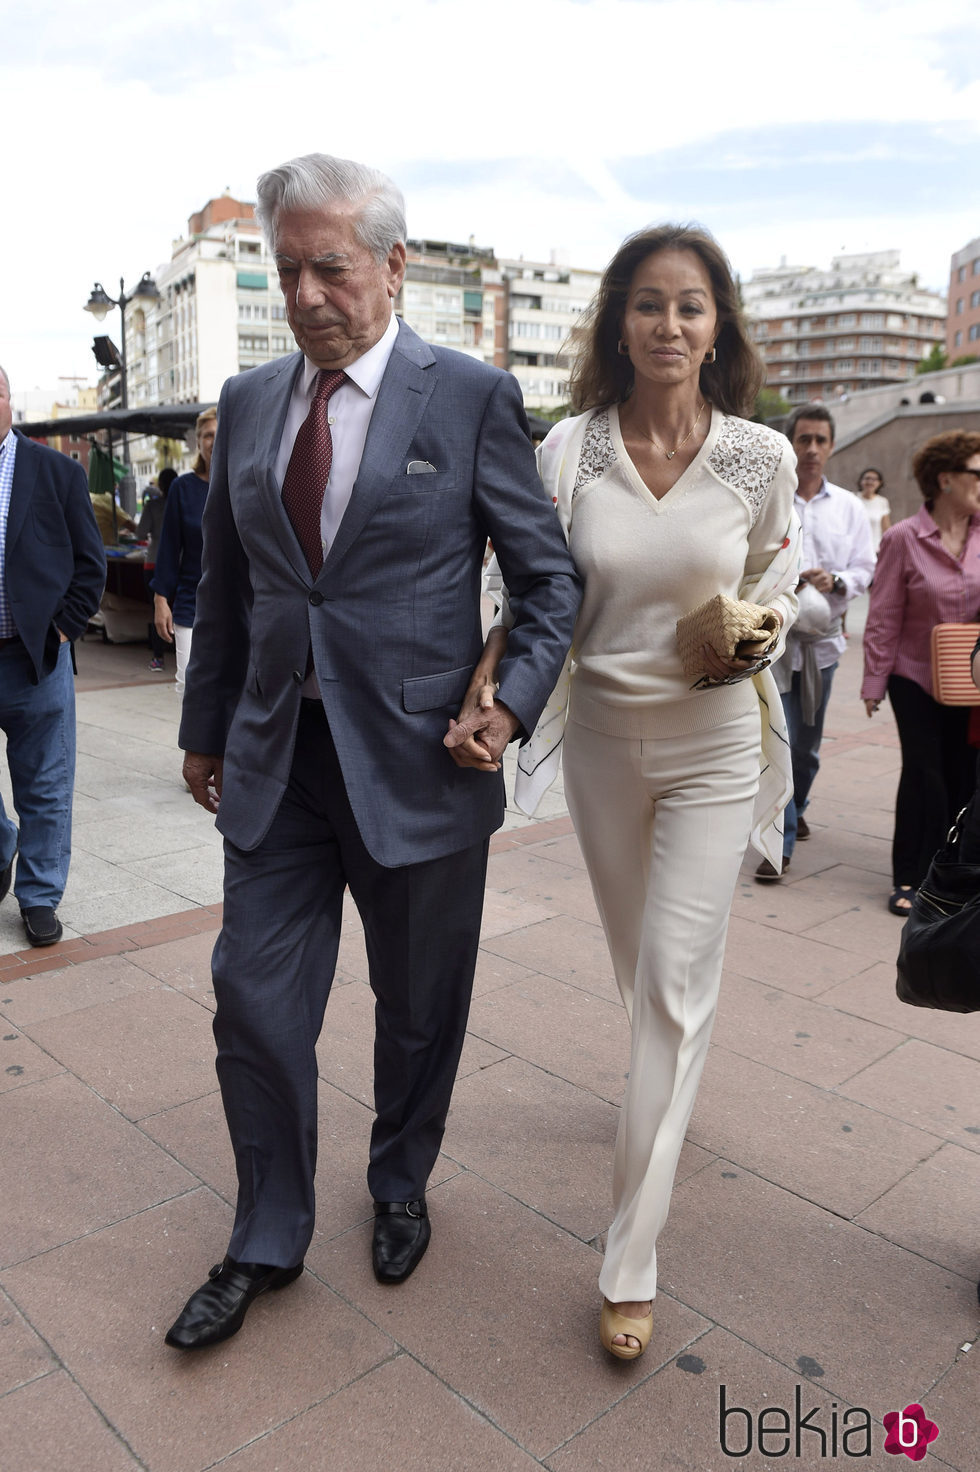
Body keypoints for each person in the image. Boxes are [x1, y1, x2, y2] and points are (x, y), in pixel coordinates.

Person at [163, 152, 580, 1351]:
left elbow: (548, 580)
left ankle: (398, 1177)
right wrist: (204, 729)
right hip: (277, 760)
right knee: (252, 1000)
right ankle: (265, 1233)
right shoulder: (248, 404)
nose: (304, 295)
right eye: (285, 270)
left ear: (393, 267)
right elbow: (231, 583)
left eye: (328, 268)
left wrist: (510, 704)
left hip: (419, 766)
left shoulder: (469, 397)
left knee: (418, 1006)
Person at [449, 224, 800, 1360]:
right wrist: (488, 683)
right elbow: (534, 588)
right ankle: (661, 1092)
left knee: (673, 986)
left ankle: (628, 1258)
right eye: (646, 304)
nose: (667, 325)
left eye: (689, 305)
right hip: (600, 739)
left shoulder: (757, 455)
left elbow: (773, 569)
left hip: (711, 743)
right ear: (616, 324)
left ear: (717, 326)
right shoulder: (568, 451)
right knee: (635, 968)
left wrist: (764, 623)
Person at [0, 365, 105, 946]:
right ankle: (2, 849)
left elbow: (90, 565)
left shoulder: (57, 472)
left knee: (44, 784)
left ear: (8, 398)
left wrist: (63, 628)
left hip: (35, 658)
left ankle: (39, 896)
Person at [861, 430, 980, 914]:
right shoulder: (903, 538)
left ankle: (952, 872)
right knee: (924, 773)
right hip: (913, 677)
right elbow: (884, 616)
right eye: (977, 471)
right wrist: (874, 682)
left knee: (964, 776)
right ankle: (909, 876)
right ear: (946, 480)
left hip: (970, 680)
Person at [756, 405, 875, 880]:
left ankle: (797, 805)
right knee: (778, 742)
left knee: (806, 747)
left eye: (819, 440)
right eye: (803, 439)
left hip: (822, 646)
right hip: (776, 643)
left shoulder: (849, 506)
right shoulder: (771, 498)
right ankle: (777, 844)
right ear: (790, 443)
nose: (810, 450)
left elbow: (865, 568)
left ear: (830, 446)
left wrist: (835, 579)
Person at [151, 410, 216, 695]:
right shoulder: (182, 488)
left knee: (236, 693)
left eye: (219, 433)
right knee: (190, 690)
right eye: (207, 435)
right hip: (191, 603)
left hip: (241, 606)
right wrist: (161, 599)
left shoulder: (245, 483)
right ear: (198, 442)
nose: (214, 440)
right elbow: (168, 548)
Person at [138, 466, 177, 671]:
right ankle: (182, 652)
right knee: (183, 610)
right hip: (180, 564)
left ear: (160, 485)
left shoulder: (152, 506)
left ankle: (158, 658)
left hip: (154, 563)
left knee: (157, 610)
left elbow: (140, 532)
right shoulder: (182, 503)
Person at [856, 466, 891, 553]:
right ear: (861, 481)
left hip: (875, 550)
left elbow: (886, 529)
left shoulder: (882, 502)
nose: (870, 482)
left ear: (880, 483)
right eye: (867, 478)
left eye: (874, 479)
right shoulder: (853, 499)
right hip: (855, 549)